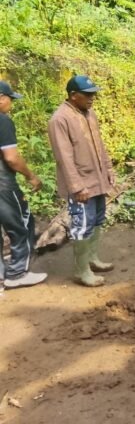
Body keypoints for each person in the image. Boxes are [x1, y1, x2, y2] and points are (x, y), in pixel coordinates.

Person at [48, 75, 116, 287]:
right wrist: (77, 187)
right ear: (73, 95)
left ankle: (92, 259)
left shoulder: (89, 113)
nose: (92, 98)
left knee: (97, 220)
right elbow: (64, 157)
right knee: (82, 226)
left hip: (97, 179)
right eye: (87, 94)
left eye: (93, 94)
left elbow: (100, 145)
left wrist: (108, 169)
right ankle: (81, 270)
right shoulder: (60, 119)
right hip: (82, 184)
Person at [0, 81, 47, 291]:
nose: (11, 104)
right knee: (21, 224)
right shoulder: (2, 121)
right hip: (3, 185)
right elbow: (11, 158)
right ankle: (17, 273)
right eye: (10, 98)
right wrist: (31, 176)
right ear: (1, 98)